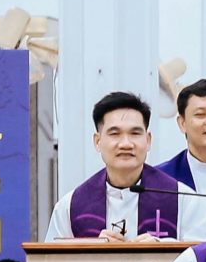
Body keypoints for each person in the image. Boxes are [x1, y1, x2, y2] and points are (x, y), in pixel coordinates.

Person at [49, 90, 182, 239]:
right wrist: (95, 248)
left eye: (135, 133)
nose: (126, 144)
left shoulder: (181, 198)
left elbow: (199, 250)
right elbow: (54, 253)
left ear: (148, 140)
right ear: (97, 141)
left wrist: (160, 247)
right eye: (114, 134)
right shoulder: (69, 206)